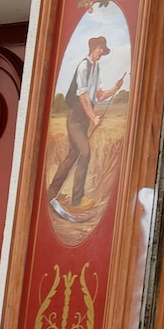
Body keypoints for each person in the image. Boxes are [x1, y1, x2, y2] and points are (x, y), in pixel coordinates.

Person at [47, 35, 126, 217]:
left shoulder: (97, 69)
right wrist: (93, 117)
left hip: (84, 118)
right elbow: (82, 97)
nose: (101, 52)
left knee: (73, 155)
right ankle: (77, 200)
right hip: (75, 117)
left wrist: (115, 88)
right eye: (100, 49)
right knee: (85, 152)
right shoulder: (84, 66)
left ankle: (51, 193)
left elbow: (99, 96)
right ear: (93, 48)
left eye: (103, 50)